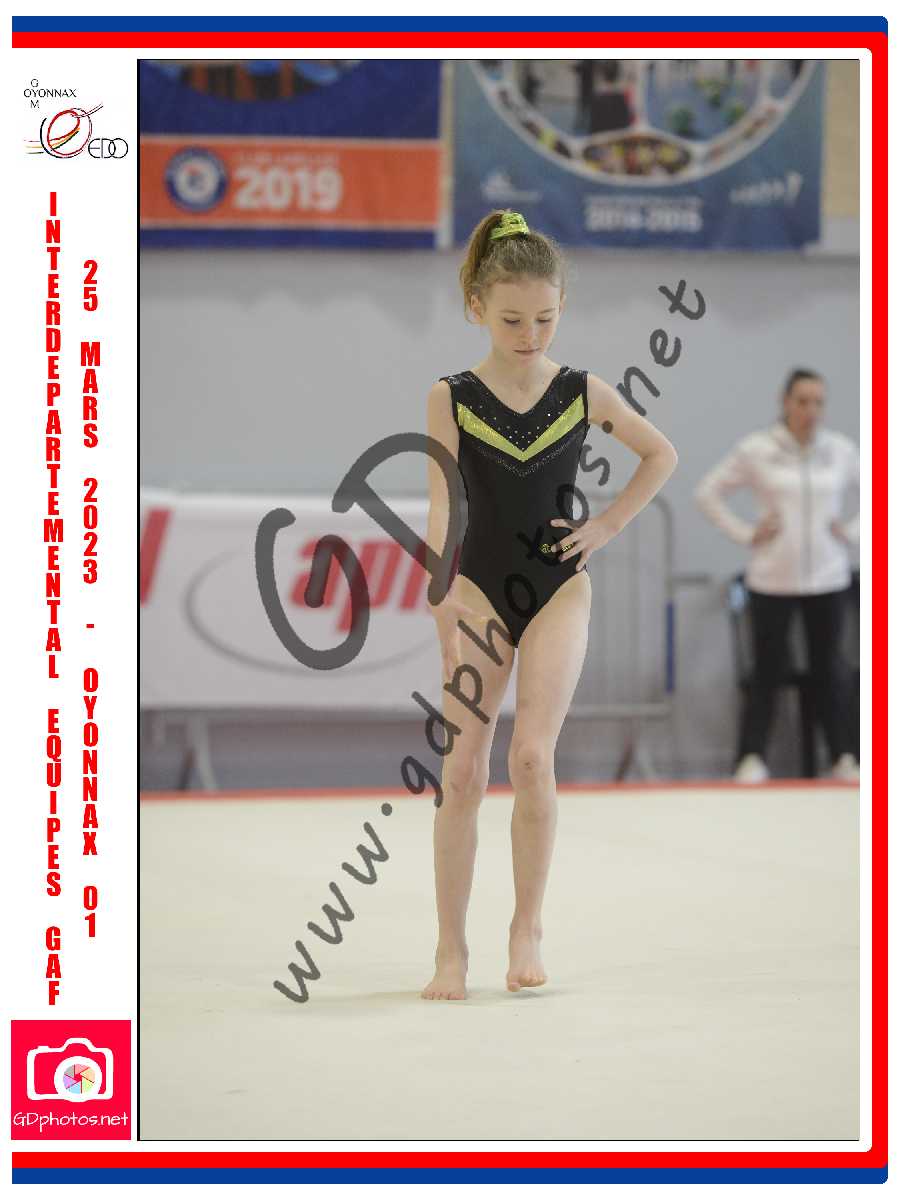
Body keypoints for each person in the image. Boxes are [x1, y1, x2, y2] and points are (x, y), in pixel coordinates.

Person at [421, 209, 678, 1000]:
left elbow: (660, 454)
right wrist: (440, 592)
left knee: (532, 757)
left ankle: (526, 927)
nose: (528, 334)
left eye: (544, 317)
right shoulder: (452, 397)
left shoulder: (581, 390)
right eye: (511, 320)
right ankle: (450, 948)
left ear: (562, 305)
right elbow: (442, 503)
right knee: (463, 769)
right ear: (476, 307)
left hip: (559, 588)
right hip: (478, 589)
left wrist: (605, 526)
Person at [694, 368, 861, 784]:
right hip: (772, 579)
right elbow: (708, 493)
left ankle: (843, 756)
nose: (811, 410)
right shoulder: (758, 449)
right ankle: (751, 757)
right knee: (767, 669)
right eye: (802, 401)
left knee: (831, 669)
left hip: (828, 578)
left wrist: (852, 533)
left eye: (818, 402)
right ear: (786, 403)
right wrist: (747, 533)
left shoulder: (839, 450)